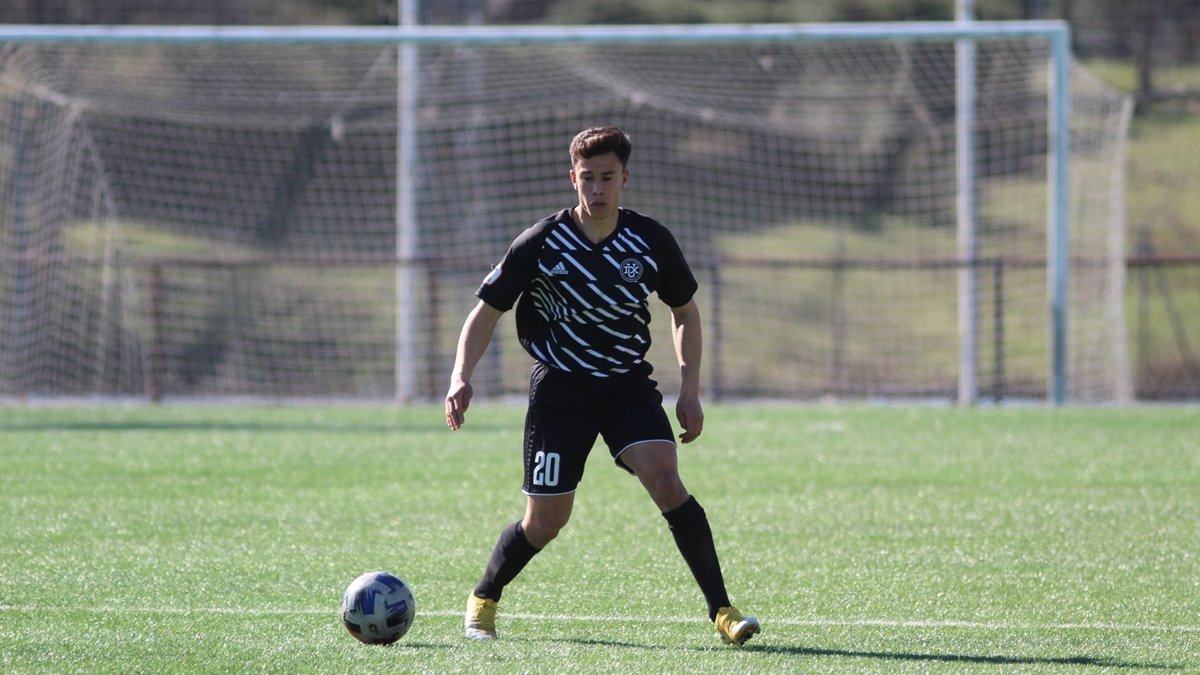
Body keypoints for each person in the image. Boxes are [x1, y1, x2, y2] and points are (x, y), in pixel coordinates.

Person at [444, 126, 760, 646]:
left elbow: (685, 312)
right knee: (545, 521)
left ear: (624, 179)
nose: (597, 189)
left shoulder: (650, 240)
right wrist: (461, 376)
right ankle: (484, 596)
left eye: (607, 178)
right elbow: (486, 313)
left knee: (667, 482)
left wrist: (690, 389)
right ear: (572, 178)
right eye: (587, 178)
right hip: (560, 394)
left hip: (626, 388)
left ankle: (723, 611)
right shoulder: (542, 241)